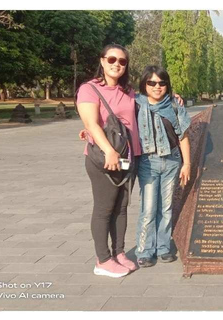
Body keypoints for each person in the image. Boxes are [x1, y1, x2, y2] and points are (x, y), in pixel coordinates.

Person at [76, 44, 140, 278]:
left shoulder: (128, 91)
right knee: (104, 208)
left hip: (128, 157)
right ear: (102, 61)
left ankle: (119, 253)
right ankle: (102, 259)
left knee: (122, 207)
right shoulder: (89, 89)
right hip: (105, 158)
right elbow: (91, 123)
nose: (117, 64)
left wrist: (171, 95)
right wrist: (109, 151)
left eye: (122, 61)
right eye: (112, 59)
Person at [135, 65, 191, 268]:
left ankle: (164, 247)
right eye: (152, 83)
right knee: (148, 209)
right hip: (148, 163)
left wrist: (187, 163)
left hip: (172, 161)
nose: (157, 87)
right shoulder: (136, 104)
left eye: (162, 83)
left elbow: (183, 136)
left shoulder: (175, 105)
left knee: (166, 207)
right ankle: (145, 250)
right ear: (144, 84)